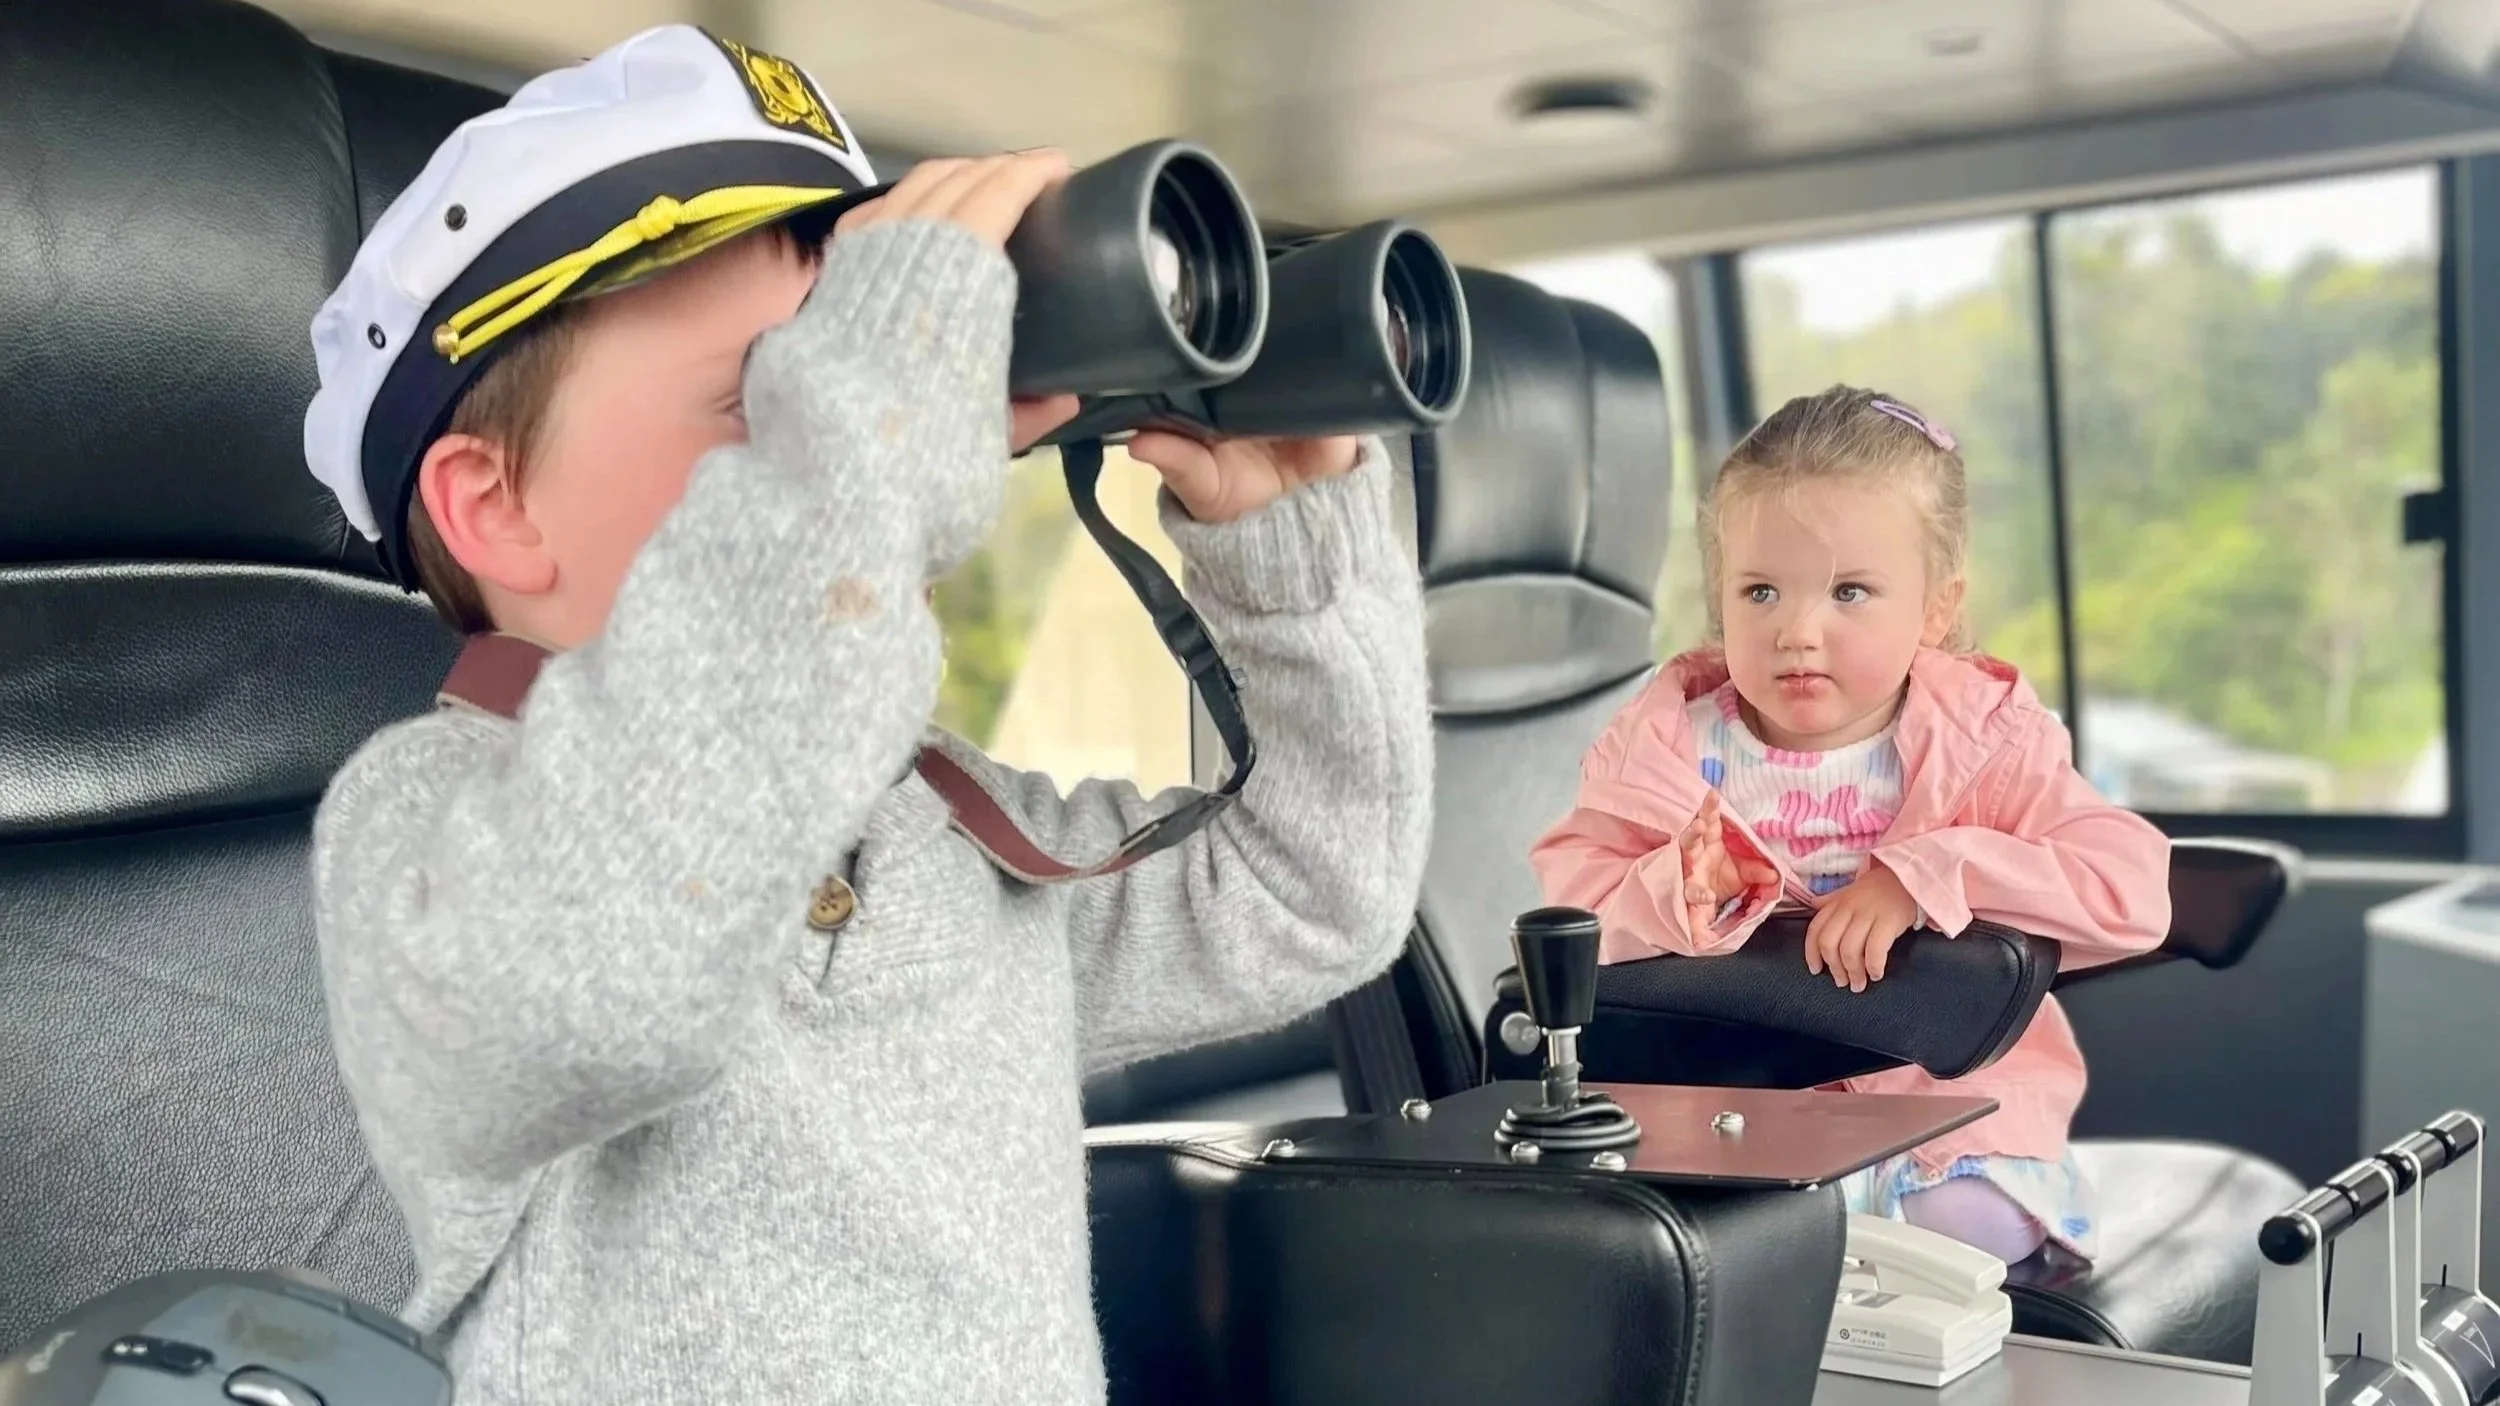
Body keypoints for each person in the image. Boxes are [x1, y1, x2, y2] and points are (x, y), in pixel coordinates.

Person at [298, 25, 1431, 1403]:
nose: (867, 436)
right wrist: (869, 429)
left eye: (869, 387)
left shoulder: (935, 830)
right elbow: (603, 982)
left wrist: (1296, 551)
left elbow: (1308, 892)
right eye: (774, 396)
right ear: (495, 508)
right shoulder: (426, 820)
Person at [1529, 385, 2168, 1266]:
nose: (1798, 629)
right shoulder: (1665, 747)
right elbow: (1573, 896)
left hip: (1936, 1103)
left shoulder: (1986, 744)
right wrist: (1673, 889)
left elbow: (2131, 888)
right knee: (1730, 1242)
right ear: (1721, 596)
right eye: (1760, 591)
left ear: (1936, 610)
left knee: (1970, 1234)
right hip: (1729, 1108)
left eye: (1850, 592)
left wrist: (1931, 873)